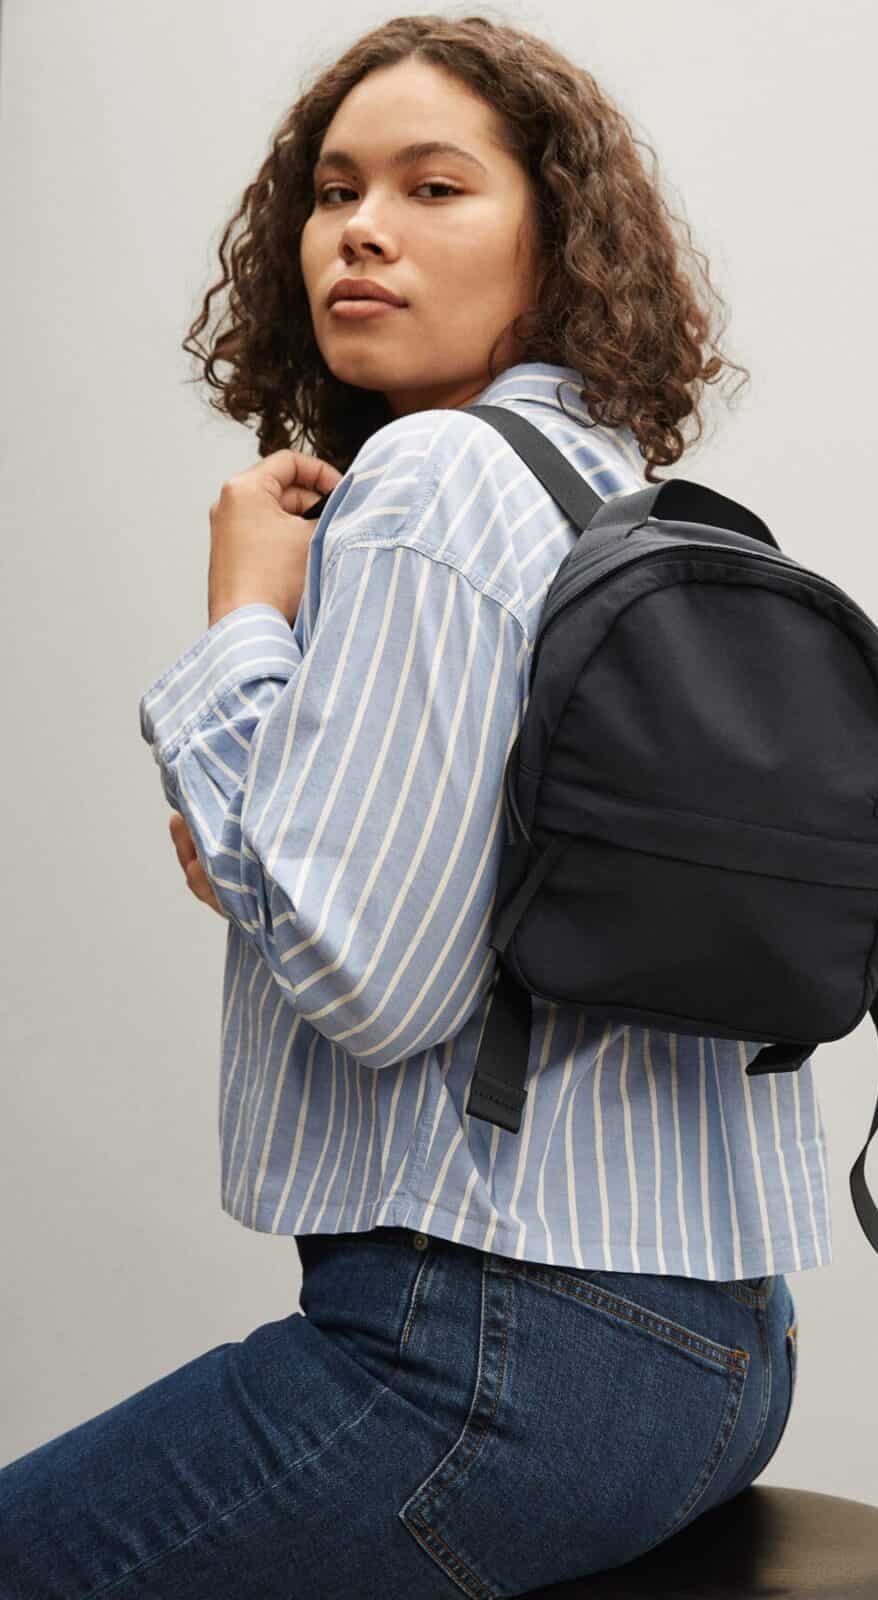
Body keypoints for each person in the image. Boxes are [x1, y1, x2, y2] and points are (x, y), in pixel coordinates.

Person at [0, 16, 822, 1595]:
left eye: (434, 188)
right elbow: (477, 897)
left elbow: (377, 986)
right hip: (724, 1355)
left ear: (557, 244)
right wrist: (280, 856)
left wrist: (243, 619)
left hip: (494, 1354)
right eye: (334, 191)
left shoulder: (431, 481)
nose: (360, 229)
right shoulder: (604, 483)